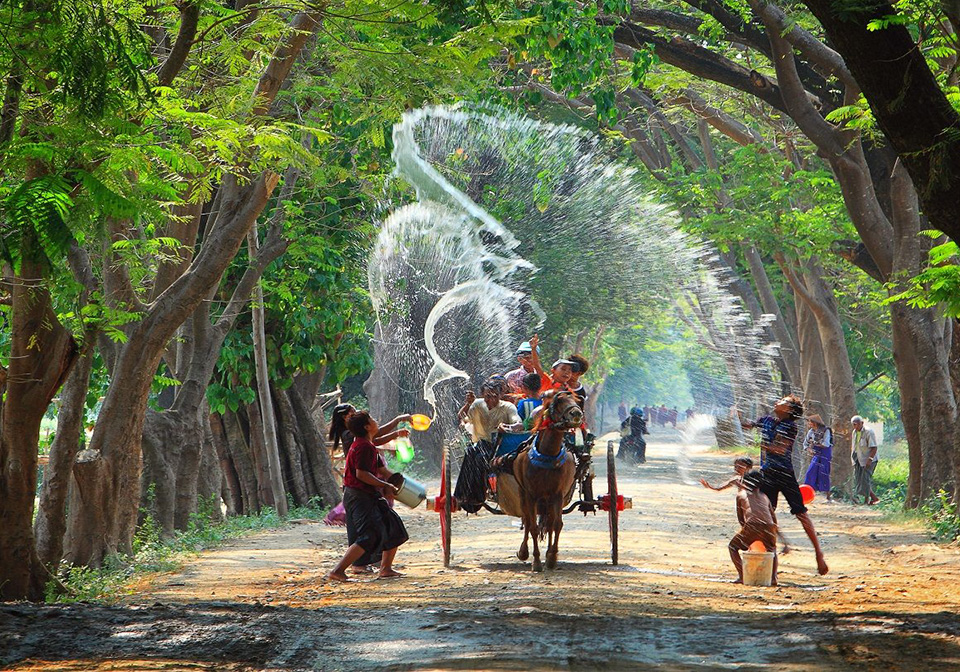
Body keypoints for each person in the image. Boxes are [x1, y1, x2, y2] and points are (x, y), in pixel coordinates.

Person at [740, 395, 828, 575]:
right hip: (767, 474)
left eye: (783, 401)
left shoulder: (790, 426)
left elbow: (780, 449)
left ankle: (819, 554)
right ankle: (769, 561)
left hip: (785, 474)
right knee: (764, 516)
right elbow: (747, 425)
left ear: (788, 410)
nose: (778, 401)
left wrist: (761, 445)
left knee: (801, 514)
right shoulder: (766, 420)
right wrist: (739, 417)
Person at [327, 411, 408, 582]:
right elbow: (362, 475)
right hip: (359, 495)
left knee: (393, 526)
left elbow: (382, 471)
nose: (376, 420)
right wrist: (385, 486)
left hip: (368, 494)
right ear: (367, 427)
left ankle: (386, 569)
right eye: (372, 419)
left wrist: (400, 484)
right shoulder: (363, 447)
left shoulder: (368, 445)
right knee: (369, 535)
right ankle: (338, 570)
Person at [454, 380, 521, 512]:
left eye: (495, 395)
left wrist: (508, 427)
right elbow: (462, 417)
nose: (492, 400)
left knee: (481, 459)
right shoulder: (477, 404)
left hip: (500, 447)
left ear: (501, 394)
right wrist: (468, 404)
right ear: (483, 396)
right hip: (481, 443)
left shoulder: (508, 407)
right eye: (488, 396)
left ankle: (478, 496)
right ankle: (460, 495)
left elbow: (518, 423)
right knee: (470, 452)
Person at [728, 469, 779, 585]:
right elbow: (773, 518)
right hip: (769, 526)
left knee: (733, 547)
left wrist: (747, 536)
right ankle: (773, 578)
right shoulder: (765, 496)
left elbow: (741, 518)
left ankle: (742, 576)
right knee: (772, 550)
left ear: (744, 483)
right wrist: (773, 532)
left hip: (752, 525)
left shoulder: (741, 495)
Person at [802, 414, 833, 500]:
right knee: (810, 472)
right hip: (816, 454)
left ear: (815, 423)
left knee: (824, 473)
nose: (809, 424)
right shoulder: (811, 431)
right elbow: (805, 443)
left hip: (825, 454)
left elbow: (826, 444)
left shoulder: (826, 430)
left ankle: (828, 496)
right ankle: (807, 495)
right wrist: (809, 449)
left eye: (810, 422)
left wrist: (815, 444)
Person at [851, 415, 879, 505]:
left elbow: (874, 447)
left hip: (869, 459)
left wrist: (869, 459)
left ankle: (868, 500)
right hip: (858, 458)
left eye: (856, 424)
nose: (855, 426)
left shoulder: (868, 432)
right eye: (853, 424)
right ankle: (873, 499)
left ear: (862, 423)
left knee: (865, 479)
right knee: (859, 479)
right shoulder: (854, 432)